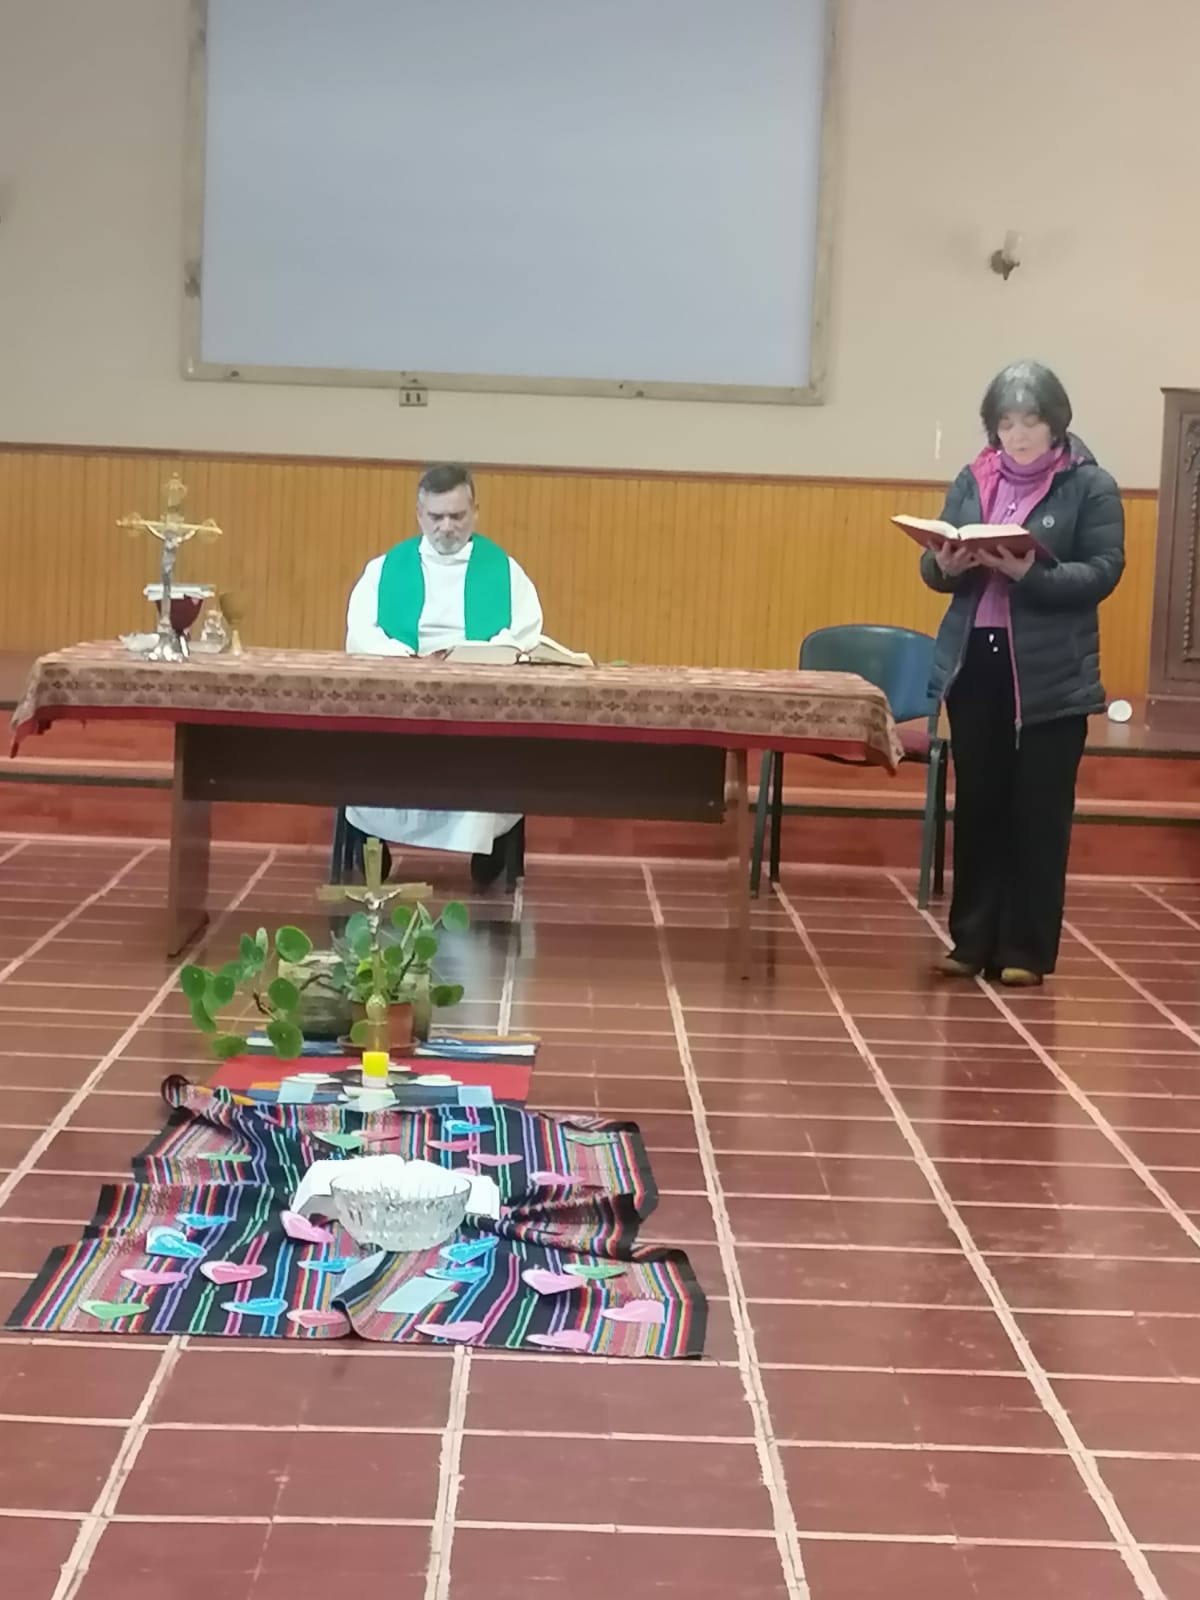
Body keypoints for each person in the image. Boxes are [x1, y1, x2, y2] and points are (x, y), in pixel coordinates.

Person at [921, 361, 1125, 987]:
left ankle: (1026, 950)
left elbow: (1103, 572)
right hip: (975, 663)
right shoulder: (973, 478)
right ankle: (971, 941)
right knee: (978, 807)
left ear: (1056, 423)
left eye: (1031, 421)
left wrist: (1030, 575)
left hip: (1051, 674)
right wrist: (945, 565)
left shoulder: (1089, 485)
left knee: (1038, 813)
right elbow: (934, 570)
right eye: (1006, 423)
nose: (1018, 435)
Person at [344, 462, 543, 886]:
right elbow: (362, 633)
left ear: (475, 512)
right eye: (436, 516)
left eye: (457, 515)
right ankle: (373, 840)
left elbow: (524, 635)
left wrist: (474, 658)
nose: (447, 527)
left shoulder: (504, 571)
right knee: (370, 750)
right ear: (419, 515)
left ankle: (489, 846)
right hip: (402, 695)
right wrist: (409, 662)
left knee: (494, 752)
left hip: (477, 699)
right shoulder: (386, 569)